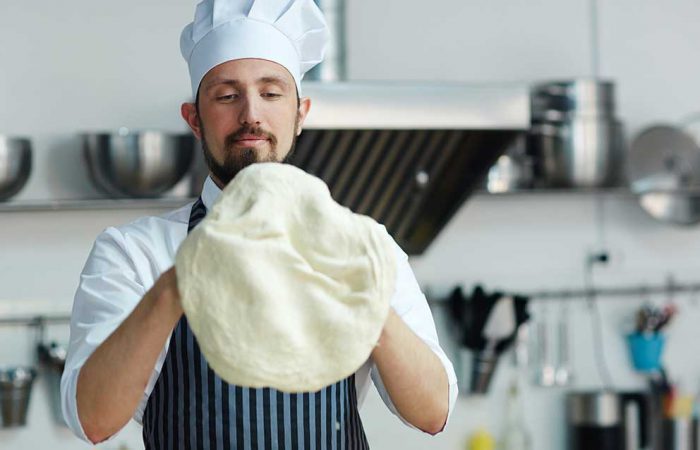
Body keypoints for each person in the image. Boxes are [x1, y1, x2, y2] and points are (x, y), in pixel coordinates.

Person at [61, 0, 458, 448]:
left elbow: (433, 411)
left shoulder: (364, 245)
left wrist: (361, 293)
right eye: (227, 96)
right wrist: (177, 286)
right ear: (194, 119)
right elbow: (92, 418)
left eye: (271, 93)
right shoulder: (136, 252)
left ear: (300, 113)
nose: (251, 114)